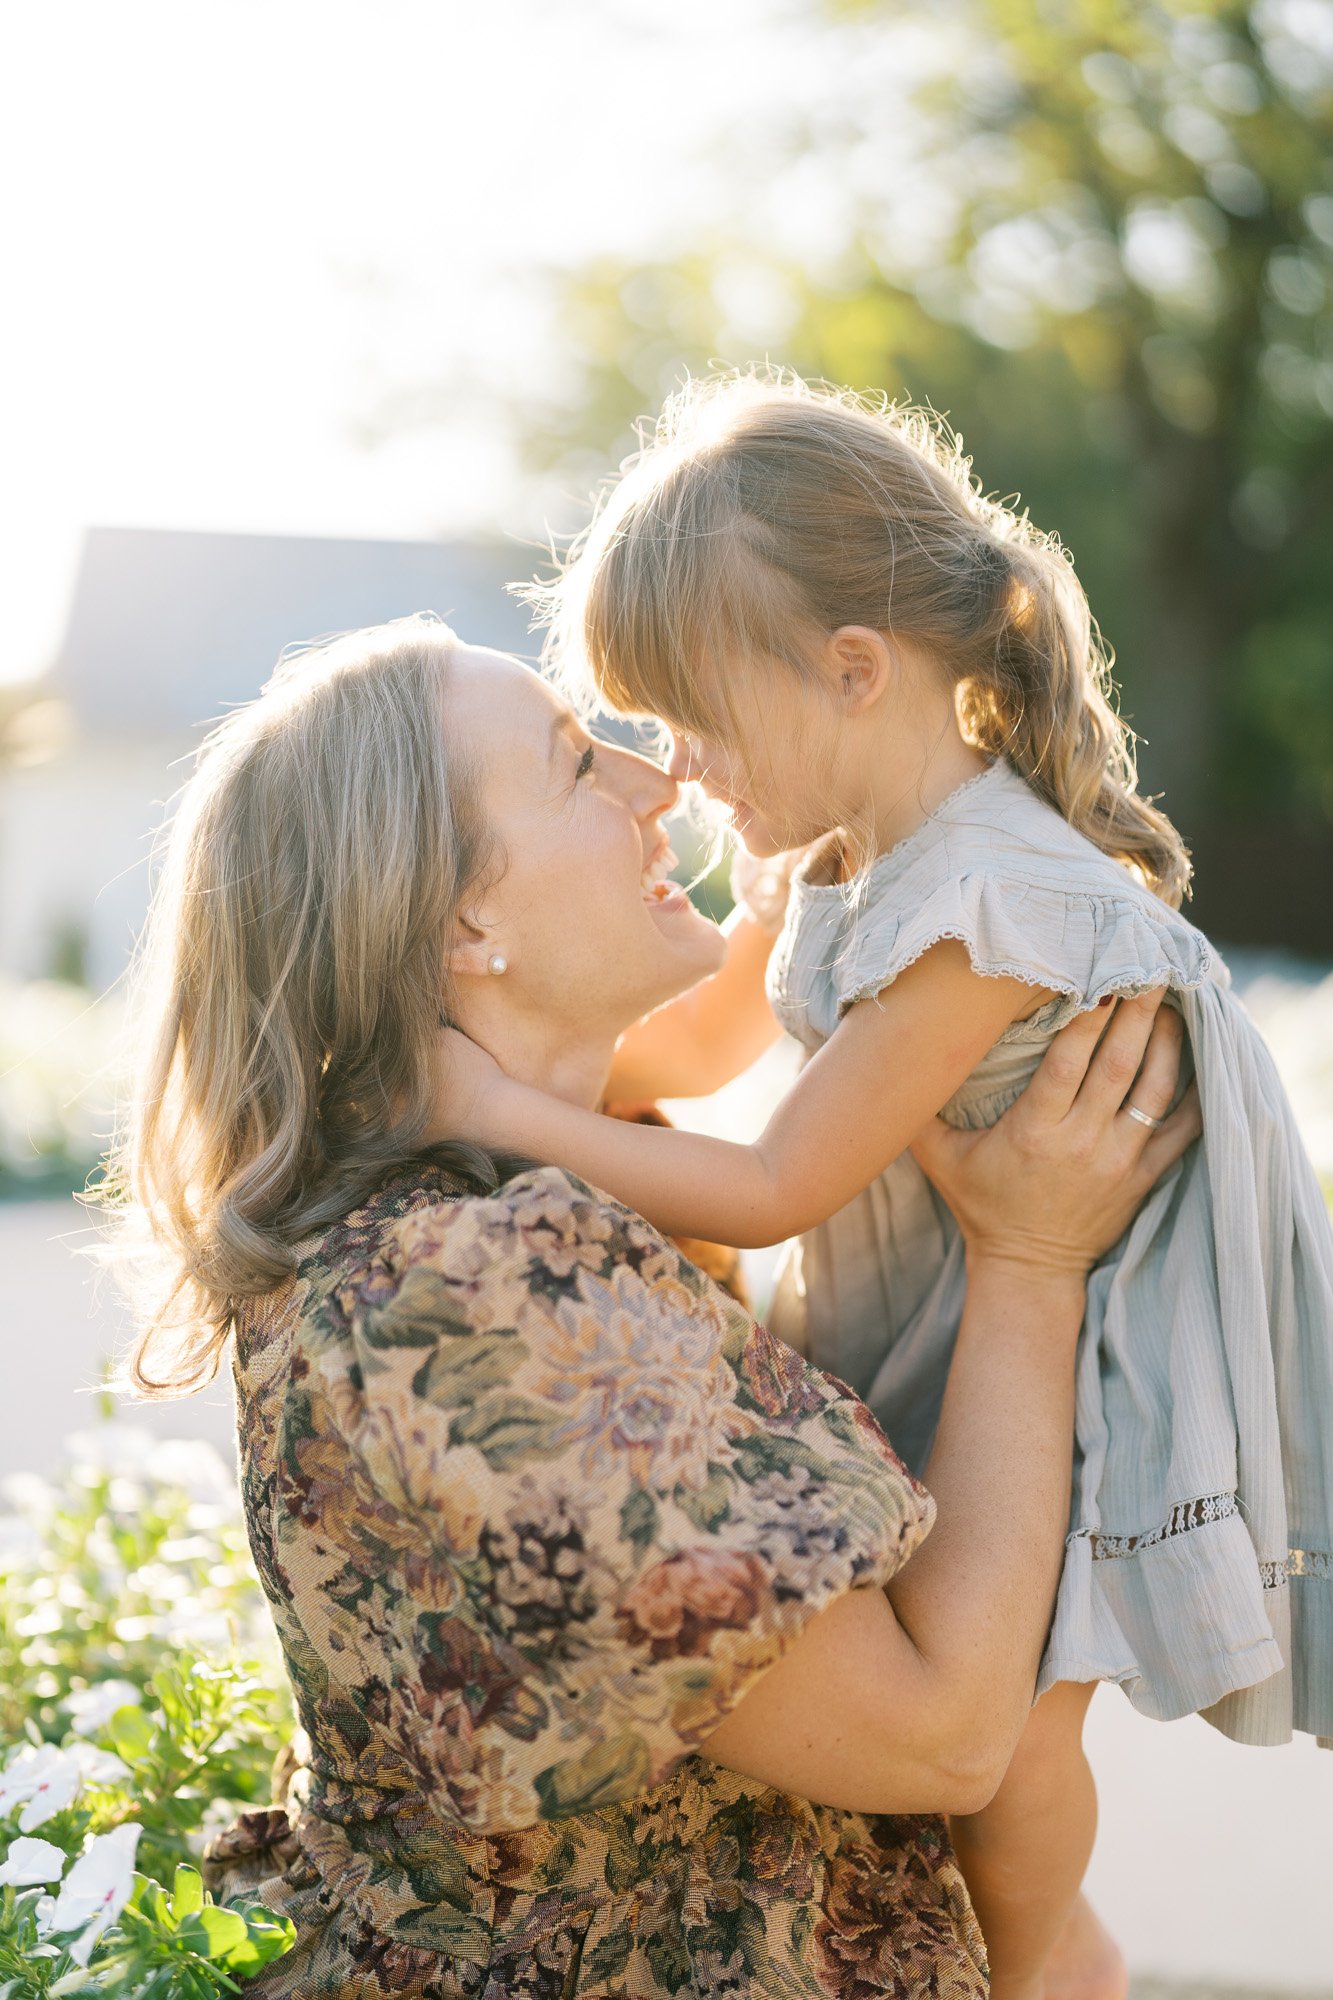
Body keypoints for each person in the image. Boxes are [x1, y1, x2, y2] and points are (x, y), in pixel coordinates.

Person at [107, 617, 1197, 1998]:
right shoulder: (466, 1298)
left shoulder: (558, 1162)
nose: (655, 787)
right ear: (462, 924)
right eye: (575, 768)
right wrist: (1033, 1260)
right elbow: (937, 1737)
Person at [442, 373, 1333, 2000]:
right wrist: (566, 1091)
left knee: (1007, 1740)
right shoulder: (838, 857)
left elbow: (776, 1179)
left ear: (853, 673)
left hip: (1097, 1361)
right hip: (950, 1296)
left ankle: (1053, 1953)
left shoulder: (985, 907)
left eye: (695, 721)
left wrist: (491, 1100)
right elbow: (704, 1050)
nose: (681, 772)